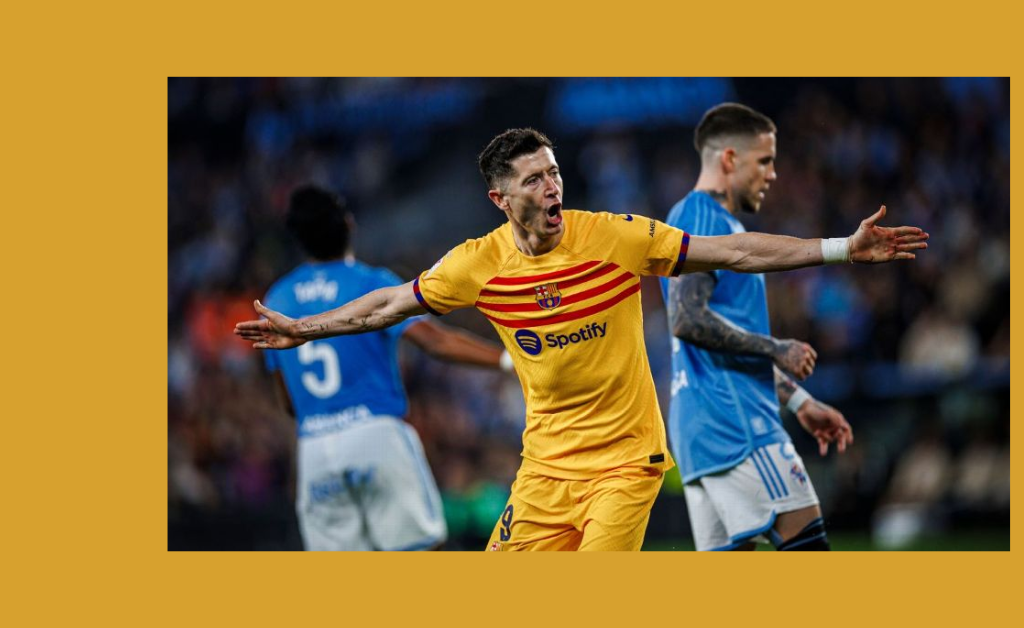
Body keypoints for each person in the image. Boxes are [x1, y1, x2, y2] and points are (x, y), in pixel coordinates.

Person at [236, 128, 928, 552]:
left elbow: (736, 251)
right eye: (533, 179)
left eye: (554, 172)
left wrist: (839, 247)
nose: (552, 186)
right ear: (501, 200)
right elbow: (389, 305)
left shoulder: (615, 236)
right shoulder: (477, 263)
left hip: (625, 464)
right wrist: (303, 331)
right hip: (544, 472)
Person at [660, 103, 865, 551]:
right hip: (735, 423)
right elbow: (687, 318)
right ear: (730, 158)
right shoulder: (702, 218)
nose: (772, 174)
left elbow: (721, 341)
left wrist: (800, 401)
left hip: (703, 427)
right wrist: (776, 347)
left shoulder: (706, 221)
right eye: (765, 161)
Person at [262, 185, 512, 551]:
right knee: (420, 552)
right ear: (349, 225)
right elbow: (435, 342)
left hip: (315, 450)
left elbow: (287, 401)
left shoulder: (277, 299)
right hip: (375, 435)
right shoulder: (370, 283)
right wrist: (507, 359)